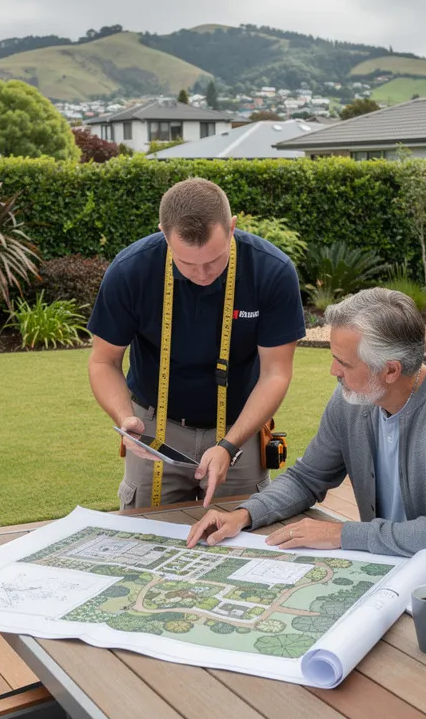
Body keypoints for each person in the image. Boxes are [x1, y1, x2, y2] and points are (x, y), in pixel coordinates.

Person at [185, 287, 426, 587]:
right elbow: (307, 478)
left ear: (390, 370)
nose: (333, 371)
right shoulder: (353, 400)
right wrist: (244, 515)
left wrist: (341, 534)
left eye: (343, 363)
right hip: (392, 573)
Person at [87, 177, 305, 509]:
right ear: (163, 233)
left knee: (244, 541)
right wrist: (125, 417)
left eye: (215, 261)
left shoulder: (271, 271)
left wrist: (230, 445)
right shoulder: (131, 271)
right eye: (187, 263)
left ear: (232, 227)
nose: (203, 274)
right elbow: (103, 362)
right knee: (148, 540)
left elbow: (275, 373)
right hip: (154, 430)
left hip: (240, 428)